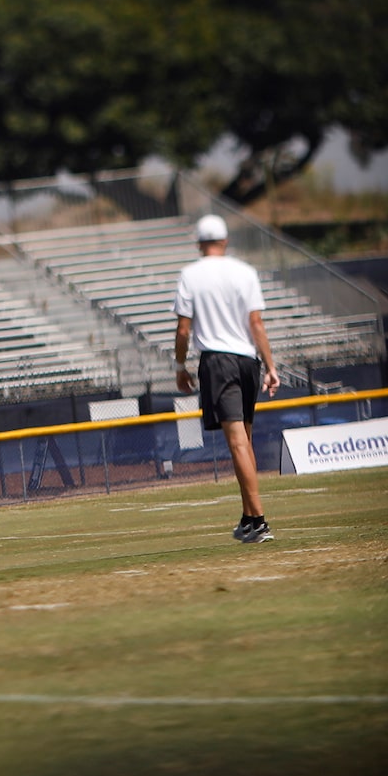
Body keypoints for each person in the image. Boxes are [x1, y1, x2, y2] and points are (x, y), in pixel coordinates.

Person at [174, 215, 281, 543]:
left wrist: (180, 366)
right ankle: (249, 518)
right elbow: (256, 324)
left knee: (236, 443)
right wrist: (271, 366)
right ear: (225, 240)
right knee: (243, 442)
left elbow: (183, 329)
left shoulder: (190, 274)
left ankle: (260, 521)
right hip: (248, 361)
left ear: (198, 243)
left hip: (218, 362)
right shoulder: (245, 271)